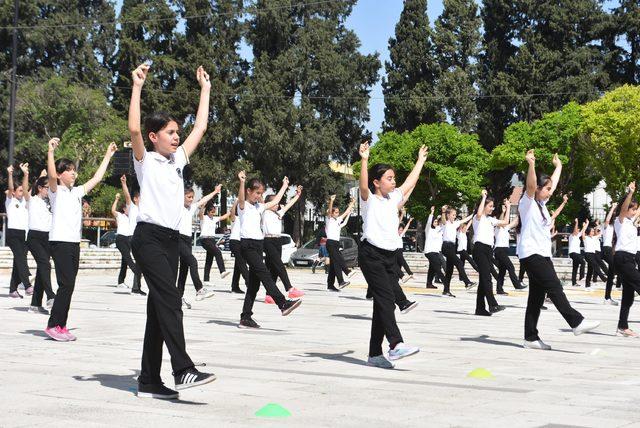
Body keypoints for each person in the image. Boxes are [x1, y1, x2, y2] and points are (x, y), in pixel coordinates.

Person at [128, 63, 215, 398]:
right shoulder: (145, 160)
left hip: (170, 240)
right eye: (170, 132)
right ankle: (183, 369)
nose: (177, 136)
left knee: (158, 312)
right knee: (171, 301)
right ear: (155, 137)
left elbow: (201, 127)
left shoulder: (177, 160)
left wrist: (204, 89)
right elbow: (134, 130)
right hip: (148, 238)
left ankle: (148, 380)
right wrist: (137, 87)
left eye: (178, 132)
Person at [518, 150, 599, 350]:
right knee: (554, 287)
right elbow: (530, 185)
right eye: (545, 189)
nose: (549, 191)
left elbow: (549, 184)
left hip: (542, 254)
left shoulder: (542, 204)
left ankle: (530, 337)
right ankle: (576, 322)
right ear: (537, 189)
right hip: (531, 253)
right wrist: (531, 165)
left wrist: (559, 167)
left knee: (536, 298)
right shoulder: (527, 203)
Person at [357, 141, 425, 369]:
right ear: (377, 182)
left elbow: (408, 184)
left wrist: (420, 161)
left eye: (393, 177)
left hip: (390, 256)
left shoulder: (393, 198)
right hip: (371, 254)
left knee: (381, 305)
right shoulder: (369, 200)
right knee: (386, 300)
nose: (393, 181)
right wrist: (365, 159)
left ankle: (374, 354)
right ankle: (396, 344)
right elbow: (363, 186)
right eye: (388, 178)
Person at [45, 137, 116, 342]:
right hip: (60, 242)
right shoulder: (55, 191)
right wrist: (50, 152)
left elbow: (96, 178)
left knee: (69, 285)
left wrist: (107, 156)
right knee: (65, 284)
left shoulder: (76, 192)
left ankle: (61, 325)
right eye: (69, 170)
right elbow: (50, 174)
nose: (74, 173)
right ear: (60, 174)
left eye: (75, 169)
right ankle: (53, 325)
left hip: (73, 243)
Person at [236, 171, 302, 329]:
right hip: (248, 245)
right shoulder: (243, 206)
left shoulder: (259, 207)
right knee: (265, 274)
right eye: (257, 193)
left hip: (258, 246)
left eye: (261, 193)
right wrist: (242, 182)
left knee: (254, 284)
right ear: (249, 192)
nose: (259, 196)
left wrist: (285, 186)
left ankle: (246, 317)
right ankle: (283, 304)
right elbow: (241, 197)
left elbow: (277, 200)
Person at [177, 187, 220, 306]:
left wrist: (215, 192)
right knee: (193, 262)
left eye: (192, 197)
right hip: (178, 238)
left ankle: (178, 299)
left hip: (187, 239)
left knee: (184, 271)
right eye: (188, 197)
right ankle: (199, 289)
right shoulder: (177, 206)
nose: (191, 199)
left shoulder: (191, 208)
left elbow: (203, 200)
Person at [20, 164, 55, 313]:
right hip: (34, 237)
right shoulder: (32, 200)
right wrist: (26, 174)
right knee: (45, 265)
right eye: (47, 187)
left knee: (42, 270)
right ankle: (50, 296)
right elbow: (25, 189)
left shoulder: (50, 203)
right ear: (40, 188)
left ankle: (35, 304)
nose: (49, 190)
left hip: (47, 237)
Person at [262, 185, 304, 299]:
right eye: (274, 203)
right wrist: (284, 186)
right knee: (279, 265)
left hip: (278, 240)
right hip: (268, 240)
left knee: (274, 269)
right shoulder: (264, 212)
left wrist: (298, 195)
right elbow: (262, 200)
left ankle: (269, 295)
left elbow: (289, 204)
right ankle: (289, 288)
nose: (277, 204)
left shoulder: (278, 213)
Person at [472, 190, 510, 316]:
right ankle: (493, 305)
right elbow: (479, 212)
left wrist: (509, 208)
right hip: (480, 249)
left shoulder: (490, 220)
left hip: (488, 250)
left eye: (493, 206)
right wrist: (483, 197)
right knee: (487, 278)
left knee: (484, 280)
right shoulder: (478, 218)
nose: (492, 208)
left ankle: (480, 308)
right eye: (490, 206)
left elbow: (505, 222)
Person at [614, 182, 640, 337]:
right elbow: (624, 209)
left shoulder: (631, 223)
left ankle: (622, 327)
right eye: (633, 209)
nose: (635, 211)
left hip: (629, 259)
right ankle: (622, 326)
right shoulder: (620, 220)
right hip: (622, 258)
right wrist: (630, 193)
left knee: (628, 295)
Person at [5, 164, 32, 298]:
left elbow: (28, 189)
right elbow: (10, 187)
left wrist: (26, 174)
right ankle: (27, 285)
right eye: (20, 190)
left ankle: (12, 289)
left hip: (23, 234)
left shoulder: (25, 201)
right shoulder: (10, 200)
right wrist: (10, 174)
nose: (22, 192)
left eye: (23, 190)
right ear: (14, 192)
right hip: (13, 234)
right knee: (21, 258)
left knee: (18, 261)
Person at [197, 185, 231, 284]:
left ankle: (206, 280)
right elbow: (200, 214)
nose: (213, 213)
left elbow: (224, 217)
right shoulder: (204, 218)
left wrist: (231, 210)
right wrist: (203, 205)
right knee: (218, 252)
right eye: (211, 212)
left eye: (214, 212)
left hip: (211, 240)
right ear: (207, 211)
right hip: (205, 239)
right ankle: (222, 271)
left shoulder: (214, 219)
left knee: (209, 259)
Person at [111, 192, 143, 294]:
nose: (128, 210)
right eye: (126, 209)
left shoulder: (131, 217)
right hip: (120, 239)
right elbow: (112, 210)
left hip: (128, 239)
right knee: (128, 259)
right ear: (124, 209)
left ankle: (121, 281)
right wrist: (116, 199)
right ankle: (136, 271)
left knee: (124, 261)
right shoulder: (120, 215)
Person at [120, 175, 145, 295]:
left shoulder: (144, 210)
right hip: (133, 237)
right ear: (136, 199)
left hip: (141, 238)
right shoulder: (132, 208)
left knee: (141, 263)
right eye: (141, 198)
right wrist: (124, 184)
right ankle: (136, 288)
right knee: (139, 263)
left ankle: (136, 288)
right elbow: (126, 196)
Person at [493, 199, 525, 295]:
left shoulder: (506, 228)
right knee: (510, 267)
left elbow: (515, 221)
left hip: (503, 251)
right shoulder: (497, 228)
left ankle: (499, 289)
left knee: (502, 271)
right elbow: (503, 221)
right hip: (499, 250)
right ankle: (517, 285)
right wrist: (506, 210)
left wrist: (521, 211)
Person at [325, 195, 356, 290]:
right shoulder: (329, 220)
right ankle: (347, 272)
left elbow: (346, 212)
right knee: (339, 259)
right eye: (336, 212)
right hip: (330, 243)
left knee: (335, 265)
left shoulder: (338, 220)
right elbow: (330, 211)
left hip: (335, 243)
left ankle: (331, 285)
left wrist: (352, 203)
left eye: (338, 212)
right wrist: (331, 201)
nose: (338, 214)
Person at [441, 205, 475, 290]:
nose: (455, 216)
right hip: (446, 246)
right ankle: (467, 282)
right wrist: (443, 212)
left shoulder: (455, 223)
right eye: (453, 215)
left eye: (455, 214)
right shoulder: (446, 223)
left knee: (449, 270)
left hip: (452, 247)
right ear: (448, 215)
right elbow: (443, 219)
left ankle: (446, 290)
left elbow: (465, 220)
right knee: (459, 263)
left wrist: (474, 212)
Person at [424, 206, 451, 295]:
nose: (436, 223)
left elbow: (444, 223)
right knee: (437, 268)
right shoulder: (429, 230)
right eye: (434, 221)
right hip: (429, 251)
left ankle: (429, 283)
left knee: (432, 268)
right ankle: (446, 284)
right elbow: (428, 222)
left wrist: (445, 213)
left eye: (436, 221)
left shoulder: (439, 229)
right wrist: (431, 213)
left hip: (436, 252)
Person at [227, 199, 247, 294]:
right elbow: (232, 212)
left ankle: (235, 286)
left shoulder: (245, 218)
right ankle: (248, 282)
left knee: (238, 265)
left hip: (241, 242)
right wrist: (236, 202)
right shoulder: (235, 218)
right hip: (234, 242)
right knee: (242, 263)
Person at [583, 222, 607, 289]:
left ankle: (587, 285)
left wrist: (598, 225)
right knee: (596, 265)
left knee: (590, 270)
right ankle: (604, 278)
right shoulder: (585, 238)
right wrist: (586, 225)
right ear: (589, 232)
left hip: (593, 255)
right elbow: (583, 232)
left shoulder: (594, 238)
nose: (593, 232)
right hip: (587, 254)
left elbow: (601, 232)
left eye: (593, 231)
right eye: (592, 231)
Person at [568, 218, 587, 287]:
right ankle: (581, 276)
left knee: (575, 268)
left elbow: (583, 231)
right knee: (583, 262)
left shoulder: (577, 236)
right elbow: (575, 230)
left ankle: (574, 282)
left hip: (576, 253)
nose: (578, 231)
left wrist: (586, 224)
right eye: (577, 230)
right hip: (573, 253)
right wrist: (577, 222)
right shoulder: (572, 235)